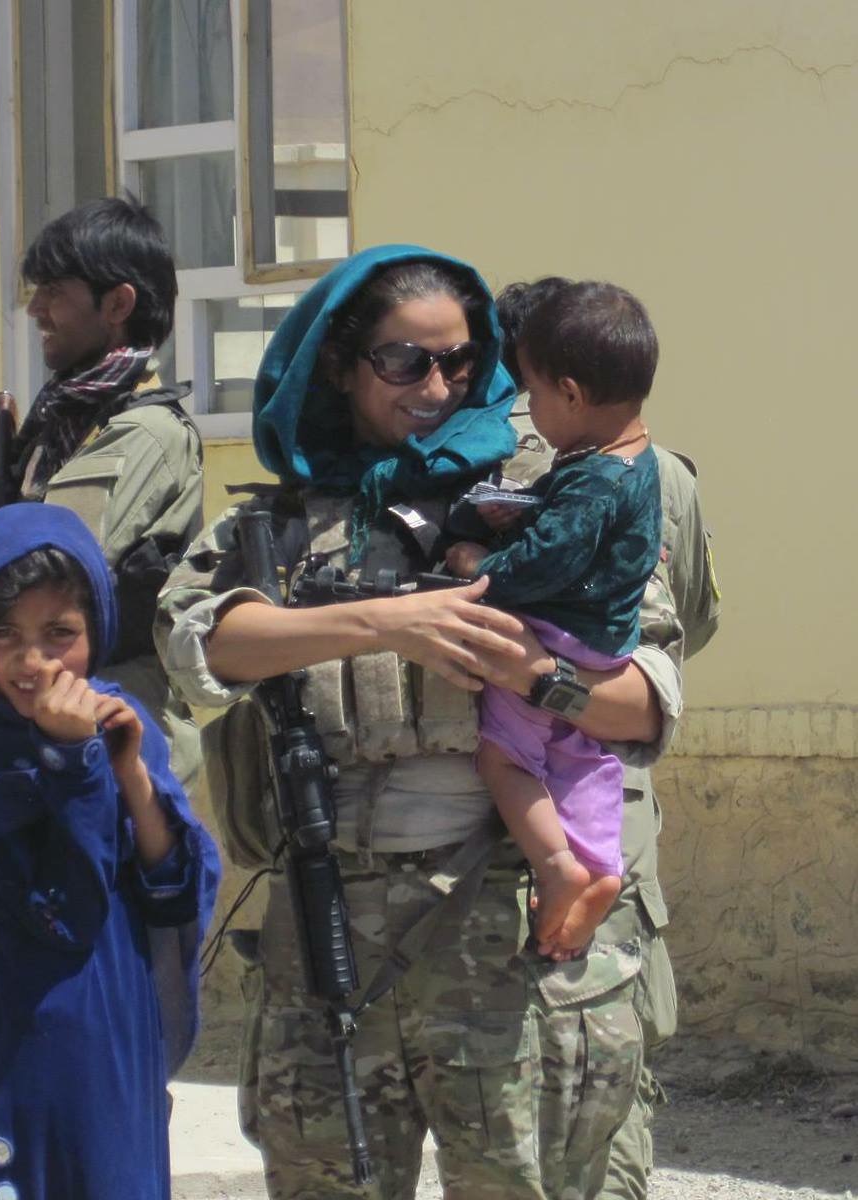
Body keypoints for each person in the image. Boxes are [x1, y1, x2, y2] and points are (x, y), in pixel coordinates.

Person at [155, 244, 687, 1199]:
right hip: (329, 938)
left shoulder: (558, 492)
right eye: (405, 362)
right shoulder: (276, 527)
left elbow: (647, 697)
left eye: (459, 360)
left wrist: (533, 675)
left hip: (511, 941)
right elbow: (203, 638)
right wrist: (384, 620)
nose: (437, 386)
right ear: (340, 366)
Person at [0, 196, 205, 1136]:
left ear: (118, 302)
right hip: (32, 734)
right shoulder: (59, 425)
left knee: (95, 989)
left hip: (109, 735)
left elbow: (22, 563)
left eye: (55, 292)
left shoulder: (143, 432)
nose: (35, 309)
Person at [495, 278, 721, 1199]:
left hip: (526, 811)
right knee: (598, 1121)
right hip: (600, 820)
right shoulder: (652, 467)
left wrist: (540, 677)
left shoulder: (512, 463)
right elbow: (689, 630)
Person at [0, 503, 221, 1200]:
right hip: (31, 1048)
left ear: (97, 631)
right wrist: (71, 763)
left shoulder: (122, 723)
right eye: (4, 635)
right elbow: (59, 918)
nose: (34, 662)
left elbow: (176, 889)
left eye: (60, 633)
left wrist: (126, 772)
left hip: (121, 1045)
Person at [444, 280, 662, 958]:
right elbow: (574, 525)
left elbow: (546, 563)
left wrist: (475, 566)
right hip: (602, 648)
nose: (527, 410)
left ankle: (556, 867)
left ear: (569, 393)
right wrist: (530, 509)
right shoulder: (632, 461)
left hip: (553, 638)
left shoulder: (594, 479)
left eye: (532, 394)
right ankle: (598, 866)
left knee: (504, 755)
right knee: (580, 759)